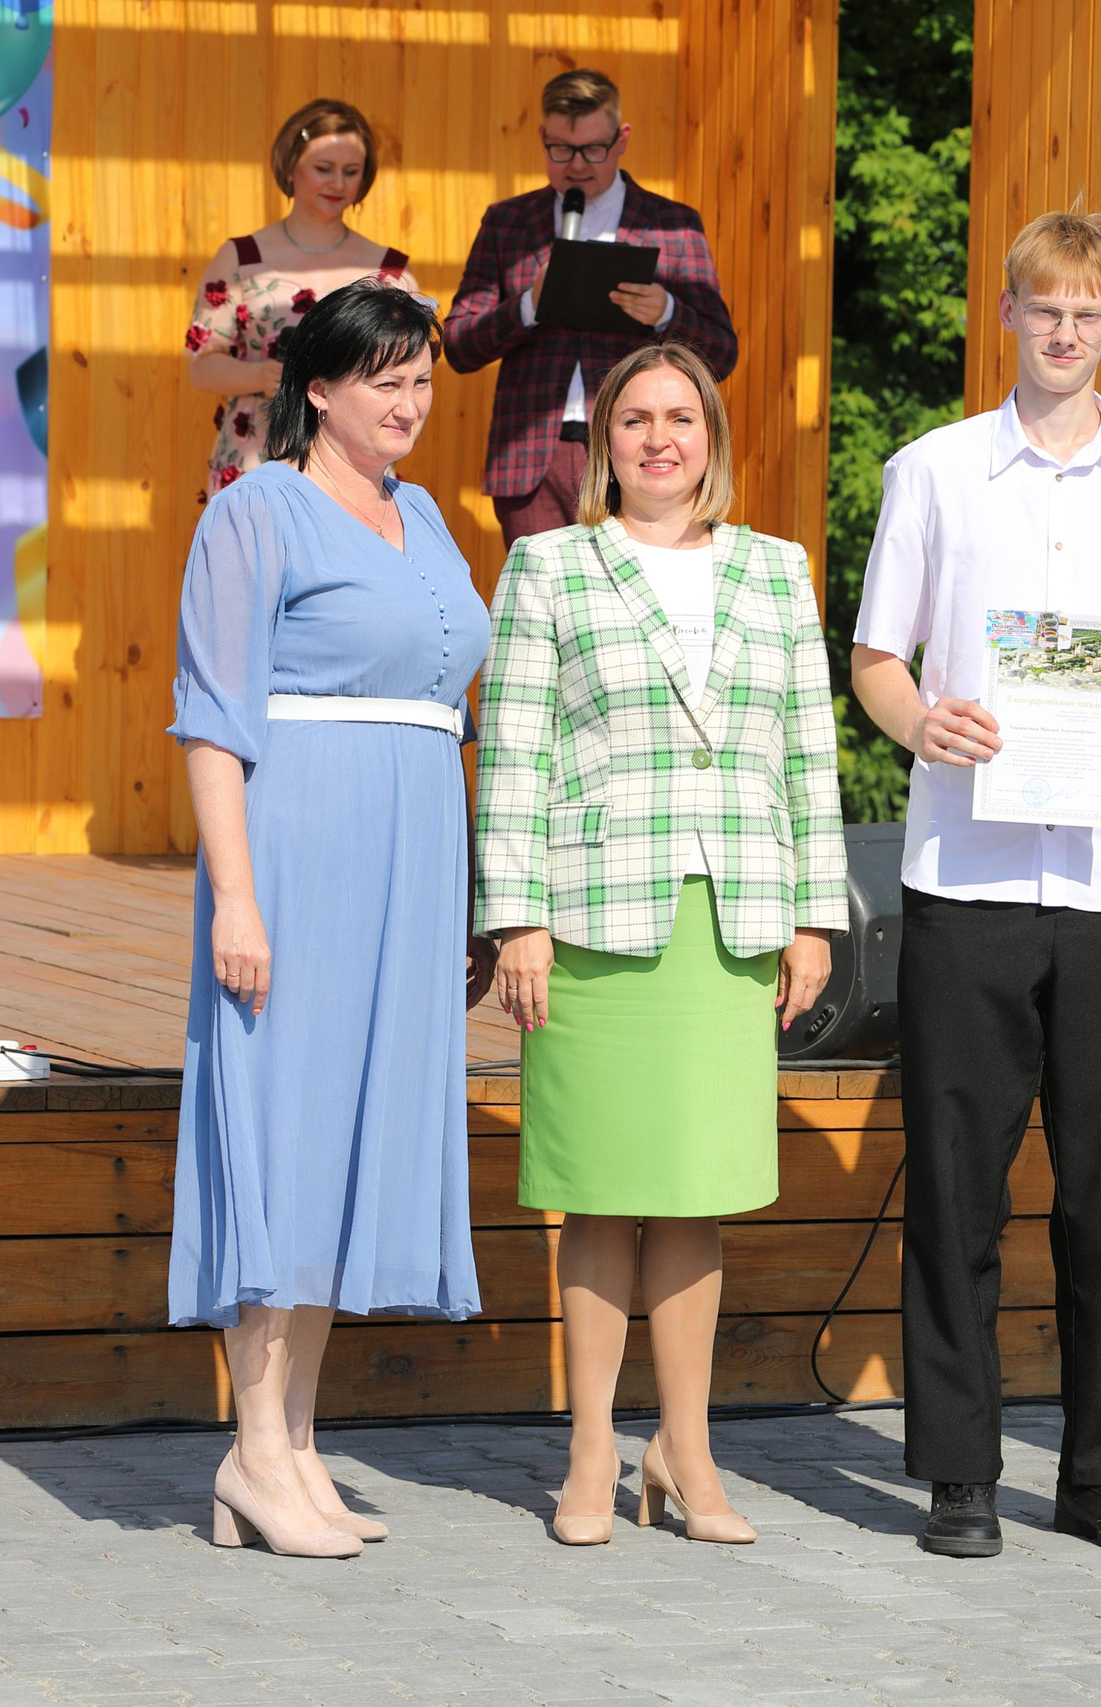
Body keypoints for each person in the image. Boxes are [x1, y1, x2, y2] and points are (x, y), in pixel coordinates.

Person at [848, 210, 1101, 1559]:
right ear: (1006, 316)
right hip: (966, 869)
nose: (1065, 333)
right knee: (958, 1181)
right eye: (1043, 309)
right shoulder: (938, 473)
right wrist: (922, 722)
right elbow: (877, 656)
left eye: (1089, 313)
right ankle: (959, 1470)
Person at [476, 343, 846, 1549]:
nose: (657, 439)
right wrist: (514, 915)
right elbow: (515, 749)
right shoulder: (548, 566)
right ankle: (589, 1454)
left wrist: (812, 913)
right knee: (597, 1192)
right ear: (601, 443)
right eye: (633, 419)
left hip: (729, 919)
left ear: (712, 437)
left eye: (679, 418)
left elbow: (807, 752)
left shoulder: (775, 569)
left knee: (694, 1197)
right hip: (590, 917)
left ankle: (685, 1452)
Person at [168, 281, 491, 1558]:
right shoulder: (257, 510)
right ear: (319, 388)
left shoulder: (426, 519)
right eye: (383, 382)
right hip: (298, 848)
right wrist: (236, 894)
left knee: (351, 1144)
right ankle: (252, 1449)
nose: (408, 403)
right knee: (282, 1134)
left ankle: (296, 1443)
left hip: (410, 859)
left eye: (420, 381)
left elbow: (449, 698)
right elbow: (211, 712)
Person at [445, 68, 739, 548]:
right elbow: (457, 344)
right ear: (542, 137)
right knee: (540, 607)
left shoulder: (673, 224)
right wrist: (527, 306)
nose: (577, 165)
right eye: (560, 149)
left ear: (621, 139)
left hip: (638, 449)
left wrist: (667, 312)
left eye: (593, 149)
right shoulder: (509, 222)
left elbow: (722, 353)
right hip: (532, 459)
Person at [185, 99, 424, 499]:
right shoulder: (241, 257)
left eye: (351, 172)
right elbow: (201, 366)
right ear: (291, 164)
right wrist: (261, 376)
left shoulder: (391, 271)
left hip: (358, 460)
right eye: (323, 169)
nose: (337, 183)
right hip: (255, 453)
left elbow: (415, 375)